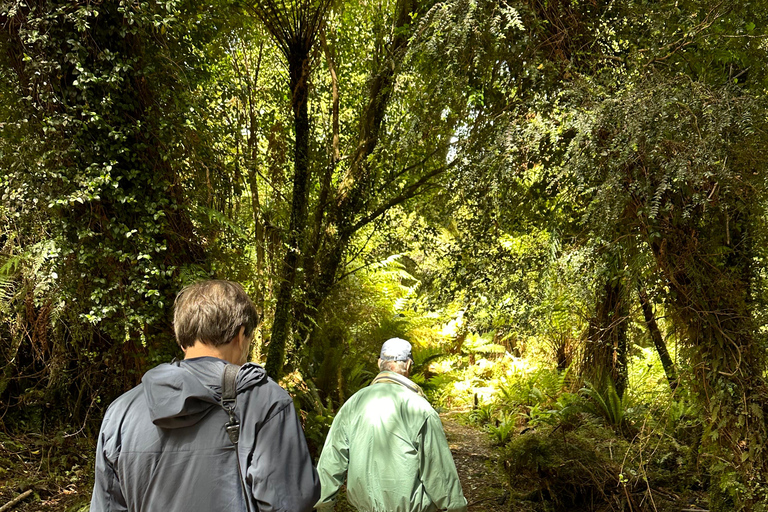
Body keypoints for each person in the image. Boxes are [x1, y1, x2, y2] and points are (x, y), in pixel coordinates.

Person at [90, 280, 320, 512]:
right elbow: (289, 504)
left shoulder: (120, 412)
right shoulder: (265, 402)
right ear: (241, 336)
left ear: (182, 341)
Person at [315, 338, 467, 512]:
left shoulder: (353, 404)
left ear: (380, 363)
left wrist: (322, 504)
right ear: (409, 365)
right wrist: (456, 508)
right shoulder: (420, 409)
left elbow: (331, 461)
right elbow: (439, 472)